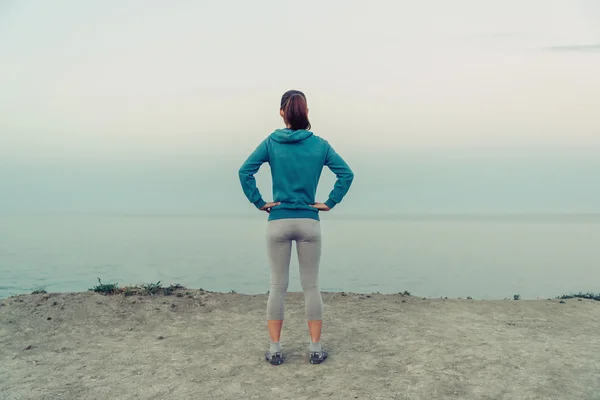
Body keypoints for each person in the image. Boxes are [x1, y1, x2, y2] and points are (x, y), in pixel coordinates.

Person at [238, 89, 354, 365]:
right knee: (311, 286)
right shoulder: (320, 145)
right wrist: (329, 202)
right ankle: (315, 348)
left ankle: (275, 349)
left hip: (277, 220)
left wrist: (260, 202)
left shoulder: (271, 142)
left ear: (282, 113)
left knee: (277, 285)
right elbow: (346, 174)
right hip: (308, 221)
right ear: (307, 113)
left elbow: (245, 172)